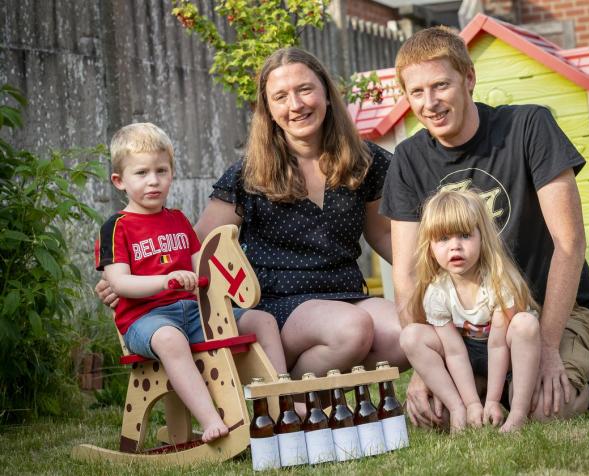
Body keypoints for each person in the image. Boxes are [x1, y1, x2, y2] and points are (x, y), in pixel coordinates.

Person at [98, 47, 406, 381]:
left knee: (405, 336)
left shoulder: (364, 159)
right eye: (281, 97)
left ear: (327, 94)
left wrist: (432, 279)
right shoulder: (251, 172)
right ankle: (282, 399)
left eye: (305, 89)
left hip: (345, 292)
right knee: (352, 329)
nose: (296, 105)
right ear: (269, 110)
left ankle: (307, 395)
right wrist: (130, 279)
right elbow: (200, 246)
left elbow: (383, 234)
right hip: (276, 307)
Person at [381, 26, 589, 428]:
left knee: (544, 409)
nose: (430, 103)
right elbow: (407, 275)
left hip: (548, 311)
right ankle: (492, 385)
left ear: (468, 78)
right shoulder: (408, 159)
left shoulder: (529, 127)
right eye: (416, 92)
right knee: (439, 415)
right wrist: (421, 366)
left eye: (440, 85)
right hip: (468, 323)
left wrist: (549, 347)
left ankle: (573, 374)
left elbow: (569, 244)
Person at [96, 123, 285, 442]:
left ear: (171, 173)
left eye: (161, 170)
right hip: (147, 320)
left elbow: (203, 271)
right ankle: (211, 419)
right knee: (170, 340)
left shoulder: (179, 220)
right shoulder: (117, 227)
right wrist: (166, 282)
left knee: (262, 319)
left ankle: (283, 401)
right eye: (141, 173)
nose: (153, 181)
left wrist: (222, 280)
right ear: (119, 181)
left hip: (195, 313)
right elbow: (120, 283)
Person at [404, 189, 540, 432]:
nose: (455, 247)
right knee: (411, 336)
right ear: (430, 247)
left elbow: (498, 345)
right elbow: (454, 352)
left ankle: (518, 413)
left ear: (482, 237)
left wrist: (492, 402)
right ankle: (456, 407)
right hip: (469, 355)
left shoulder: (499, 282)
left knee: (525, 325)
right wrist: (469, 404)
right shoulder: (437, 292)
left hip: (508, 356)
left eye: (465, 236)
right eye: (443, 239)